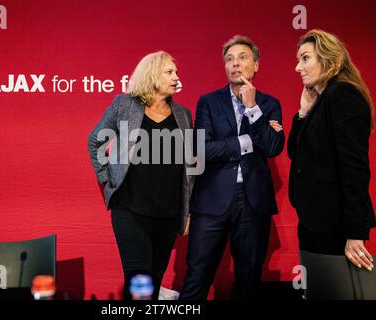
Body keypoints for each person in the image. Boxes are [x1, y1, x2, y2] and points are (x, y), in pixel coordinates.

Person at [179, 35, 285, 300]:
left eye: (242, 57)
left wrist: (252, 109)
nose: (235, 63)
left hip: (253, 202)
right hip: (212, 199)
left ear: (256, 64)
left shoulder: (269, 104)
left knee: (249, 278)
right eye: (229, 59)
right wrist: (249, 140)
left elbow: (273, 147)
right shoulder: (208, 102)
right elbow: (202, 150)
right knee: (197, 276)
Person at [88, 51, 194, 300]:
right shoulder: (124, 104)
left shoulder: (183, 114)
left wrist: (187, 209)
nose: (176, 77)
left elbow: (190, 166)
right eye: (169, 72)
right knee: (139, 281)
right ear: (152, 75)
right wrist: (106, 180)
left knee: (155, 280)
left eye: (176, 72)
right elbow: (96, 141)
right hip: (130, 210)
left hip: (168, 213)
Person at [288, 29, 375, 271]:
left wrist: (355, 233)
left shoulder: (344, 95)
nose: (298, 67)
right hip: (314, 221)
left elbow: (355, 169)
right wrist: (303, 113)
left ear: (329, 60)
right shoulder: (322, 100)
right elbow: (295, 152)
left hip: (334, 227)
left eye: (305, 58)